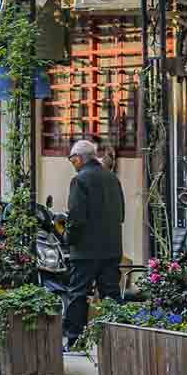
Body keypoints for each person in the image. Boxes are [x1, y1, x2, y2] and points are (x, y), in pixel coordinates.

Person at [63, 138, 126, 349]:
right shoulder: (112, 178)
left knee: (78, 294)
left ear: (79, 159)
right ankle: (118, 339)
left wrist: (68, 239)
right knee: (111, 293)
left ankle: (75, 340)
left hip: (85, 250)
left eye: (72, 159)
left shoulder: (79, 180)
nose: (72, 164)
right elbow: (121, 214)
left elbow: (76, 217)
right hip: (111, 247)